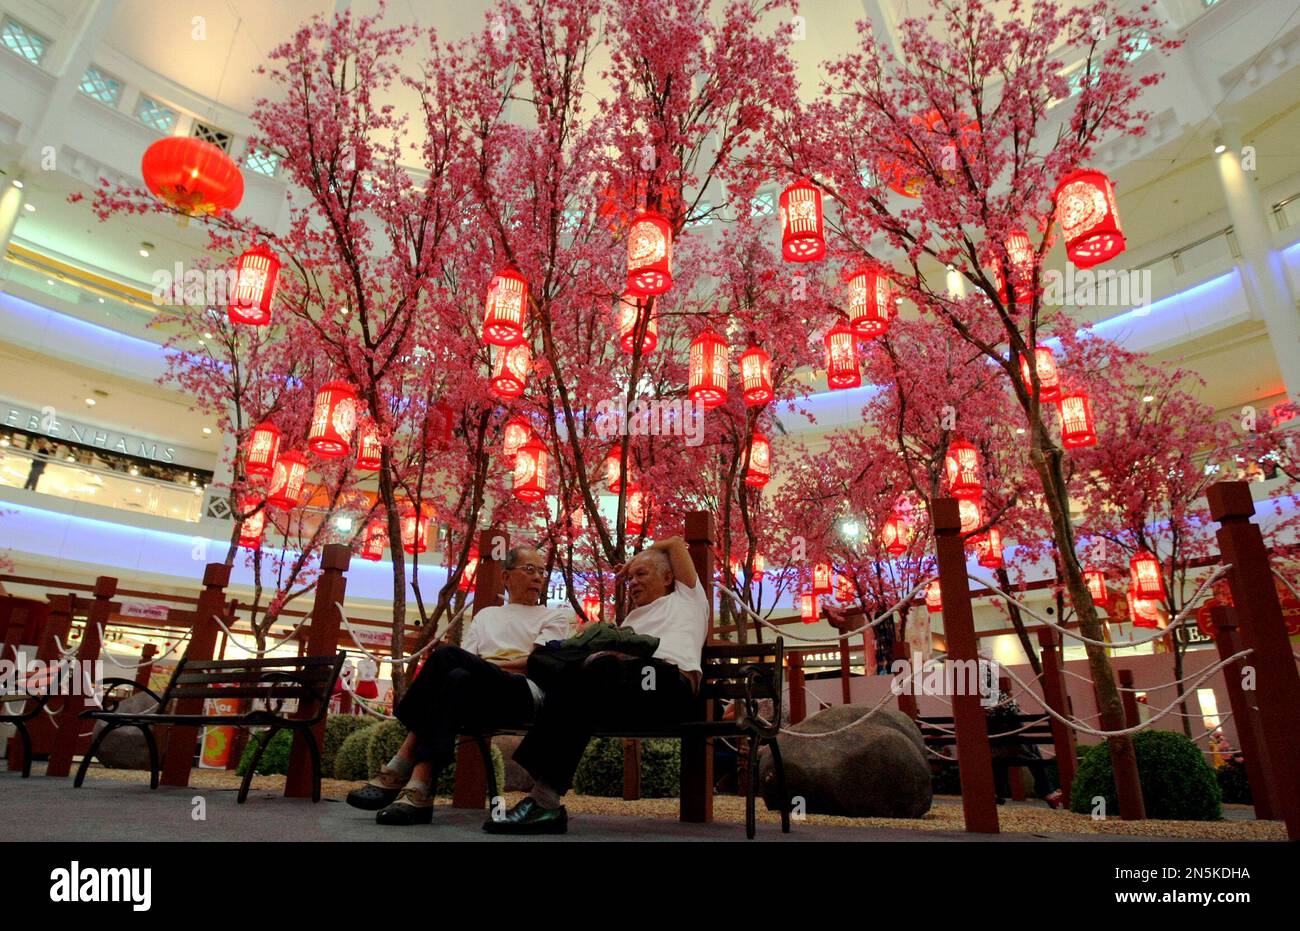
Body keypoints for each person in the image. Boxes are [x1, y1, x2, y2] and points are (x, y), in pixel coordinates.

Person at [485, 535, 709, 835]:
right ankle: (545, 802)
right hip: (627, 691)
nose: (632, 582)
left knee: (598, 668)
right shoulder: (632, 618)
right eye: (630, 578)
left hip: (667, 685)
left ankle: (543, 801)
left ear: (669, 577)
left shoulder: (688, 599)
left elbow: (675, 543)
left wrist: (635, 557)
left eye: (640, 574)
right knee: (549, 662)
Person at [344, 545, 572, 825]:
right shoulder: (486, 616)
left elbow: (538, 664)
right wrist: (477, 668)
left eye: (541, 571)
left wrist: (486, 667)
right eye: (529, 569)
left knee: (448, 658)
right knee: (455, 677)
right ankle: (419, 787)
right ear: (506, 577)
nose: (538, 577)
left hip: (523, 693)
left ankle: (401, 762)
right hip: (474, 694)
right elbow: (464, 665)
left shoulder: (555, 615)